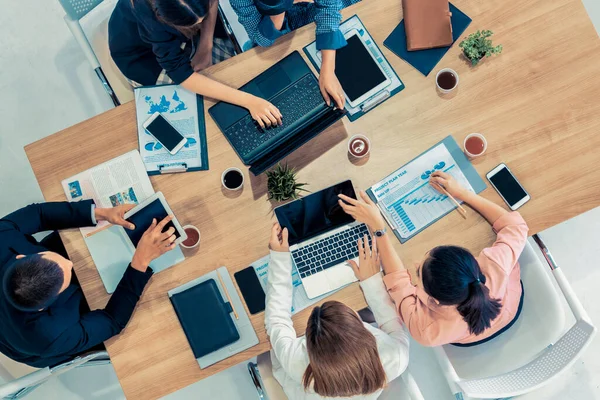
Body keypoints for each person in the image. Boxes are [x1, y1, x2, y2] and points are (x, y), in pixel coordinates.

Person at [338, 171, 529, 347]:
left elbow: (399, 284)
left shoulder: (425, 330)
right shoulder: (496, 264)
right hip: (509, 304)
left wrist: (379, 229)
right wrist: (461, 193)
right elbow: (516, 225)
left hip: (478, 329)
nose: (415, 264)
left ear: (434, 300)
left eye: (418, 272)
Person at [0, 200, 176, 367]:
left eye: (57, 260)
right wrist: (141, 261)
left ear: (21, 257)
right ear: (43, 308)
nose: (70, 264)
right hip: (30, 340)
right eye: (66, 275)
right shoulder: (50, 336)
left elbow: (38, 214)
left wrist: (101, 213)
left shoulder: (2, 235)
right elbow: (112, 320)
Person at [265, 223, 409, 399]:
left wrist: (279, 258)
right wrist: (371, 280)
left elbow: (277, 319)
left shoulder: (296, 361)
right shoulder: (395, 356)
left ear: (309, 346)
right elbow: (391, 324)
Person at [109, 0, 282, 129]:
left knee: (231, 73)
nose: (201, 23)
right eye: (196, 23)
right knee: (196, 113)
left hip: (181, 38)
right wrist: (249, 101)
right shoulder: (152, 23)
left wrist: (205, 46)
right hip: (141, 55)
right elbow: (179, 72)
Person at [230, 0, 359, 109]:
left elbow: (329, 8)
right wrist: (278, 10)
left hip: (330, 13)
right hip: (286, 33)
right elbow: (259, 38)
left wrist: (328, 69)